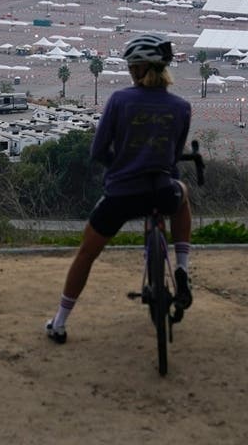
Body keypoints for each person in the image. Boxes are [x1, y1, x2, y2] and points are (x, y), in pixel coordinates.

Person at [45, 32, 193, 344]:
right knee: (183, 195)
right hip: (163, 190)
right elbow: (174, 155)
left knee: (86, 254)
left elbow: (98, 151)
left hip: (122, 195)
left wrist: (120, 166)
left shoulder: (120, 101)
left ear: (139, 70)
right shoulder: (181, 107)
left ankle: (59, 322)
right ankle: (181, 268)